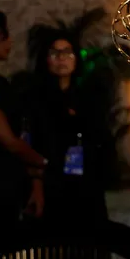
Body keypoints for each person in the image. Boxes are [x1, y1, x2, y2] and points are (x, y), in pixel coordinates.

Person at [24, 31, 111, 227]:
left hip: (86, 179)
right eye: (55, 53)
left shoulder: (89, 94)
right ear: (46, 59)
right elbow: (32, 141)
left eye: (67, 53)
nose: (62, 59)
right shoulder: (34, 97)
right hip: (52, 180)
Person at [0, 4, 46, 245]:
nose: (10, 40)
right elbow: (7, 139)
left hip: (5, 182)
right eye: (3, 34)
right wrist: (42, 163)